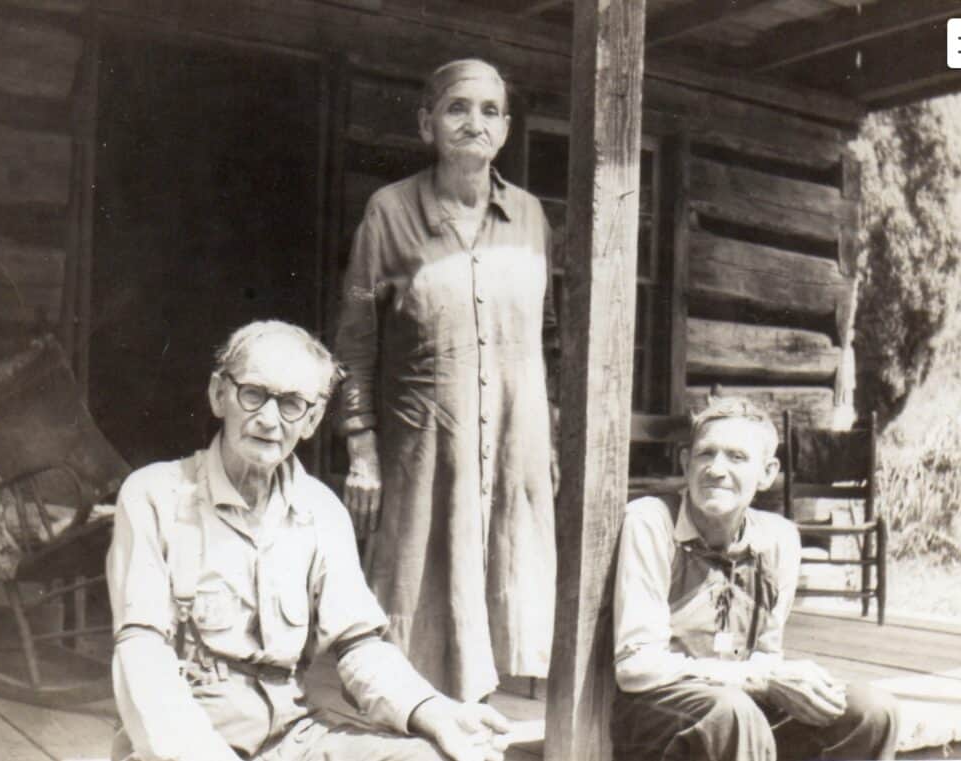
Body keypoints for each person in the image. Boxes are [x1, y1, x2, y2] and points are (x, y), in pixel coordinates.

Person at [106, 320, 511, 761]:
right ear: (219, 394)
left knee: (436, 758)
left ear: (313, 419)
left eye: (291, 404)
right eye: (253, 394)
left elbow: (361, 648)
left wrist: (435, 713)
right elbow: (141, 653)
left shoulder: (321, 511)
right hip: (185, 741)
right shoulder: (155, 495)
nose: (269, 419)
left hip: (292, 738)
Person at [335, 58, 556, 703]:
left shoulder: (532, 218)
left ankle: (482, 718)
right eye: (457, 108)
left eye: (489, 111)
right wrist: (361, 448)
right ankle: (414, 719)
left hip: (515, 442)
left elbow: (548, 335)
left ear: (505, 129)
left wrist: (549, 437)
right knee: (418, 588)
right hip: (428, 443)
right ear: (425, 123)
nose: (473, 123)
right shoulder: (389, 212)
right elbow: (355, 339)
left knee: (505, 569)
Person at [612, 396, 898, 761]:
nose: (716, 469)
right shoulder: (652, 522)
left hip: (740, 708)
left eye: (737, 457)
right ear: (685, 463)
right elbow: (637, 667)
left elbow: (765, 654)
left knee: (871, 711)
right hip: (657, 714)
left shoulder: (778, 538)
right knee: (732, 714)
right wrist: (757, 680)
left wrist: (791, 681)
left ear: (767, 473)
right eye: (705, 454)